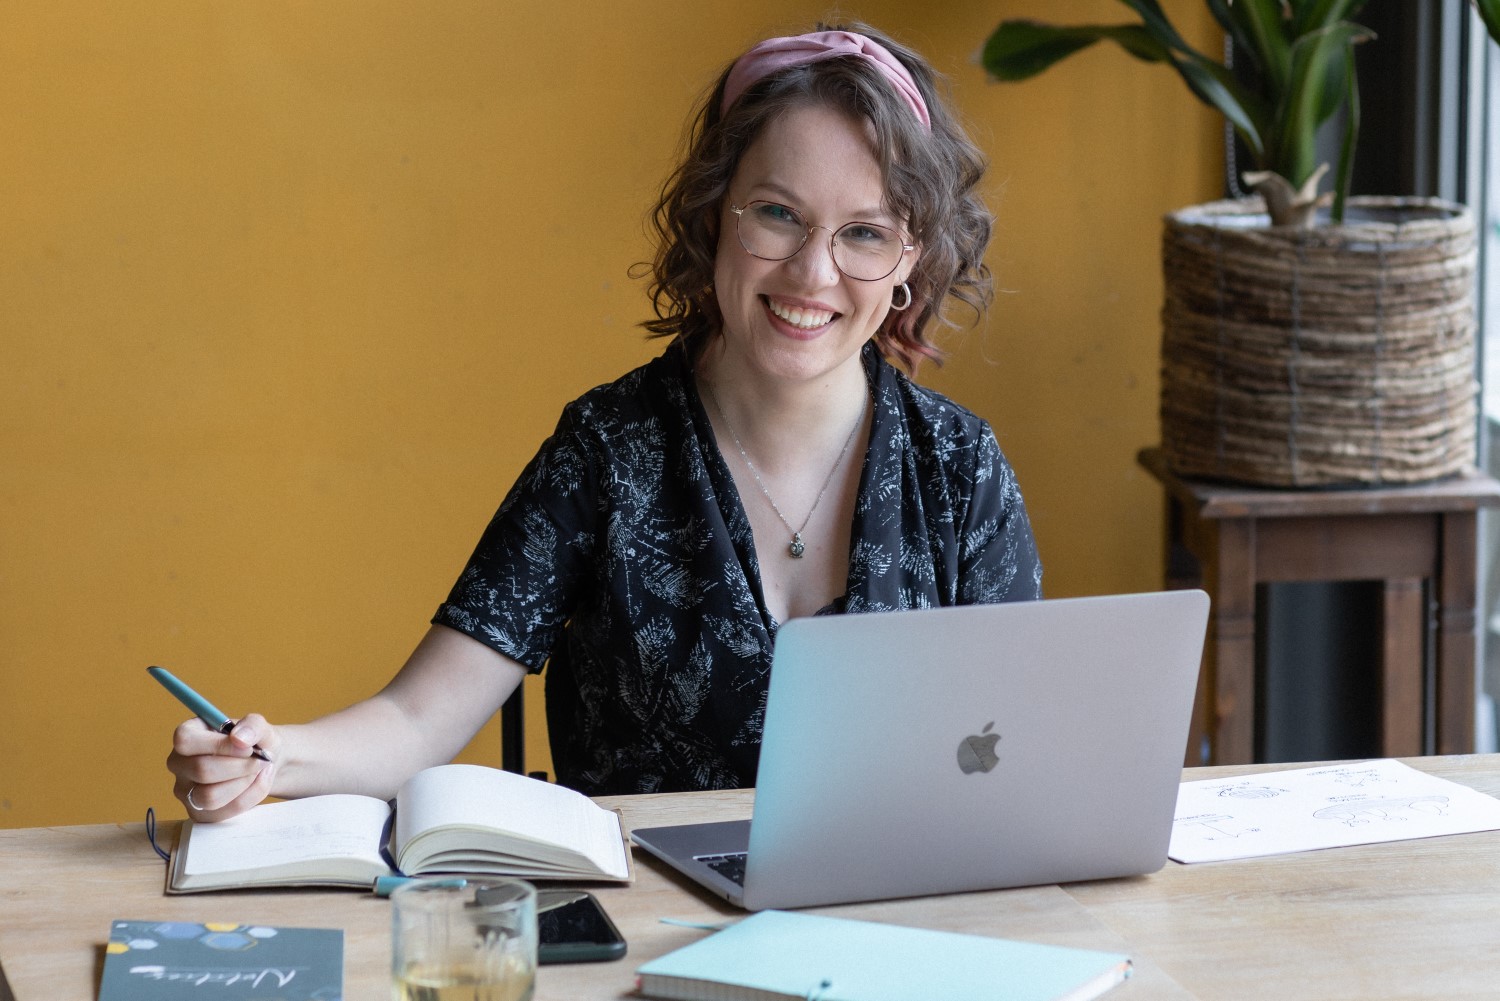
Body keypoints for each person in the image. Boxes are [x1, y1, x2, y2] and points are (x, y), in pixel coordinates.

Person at [168, 23, 1043, 820]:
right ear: (712, 216)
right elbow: (417, 718)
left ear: (910, 259)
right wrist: (271, 755)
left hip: (895, 940)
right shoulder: (606, 449)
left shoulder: (960, 466)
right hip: (641, 946)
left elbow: (1015, 758)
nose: (814, 271)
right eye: (777, 214)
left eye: (863, 232)